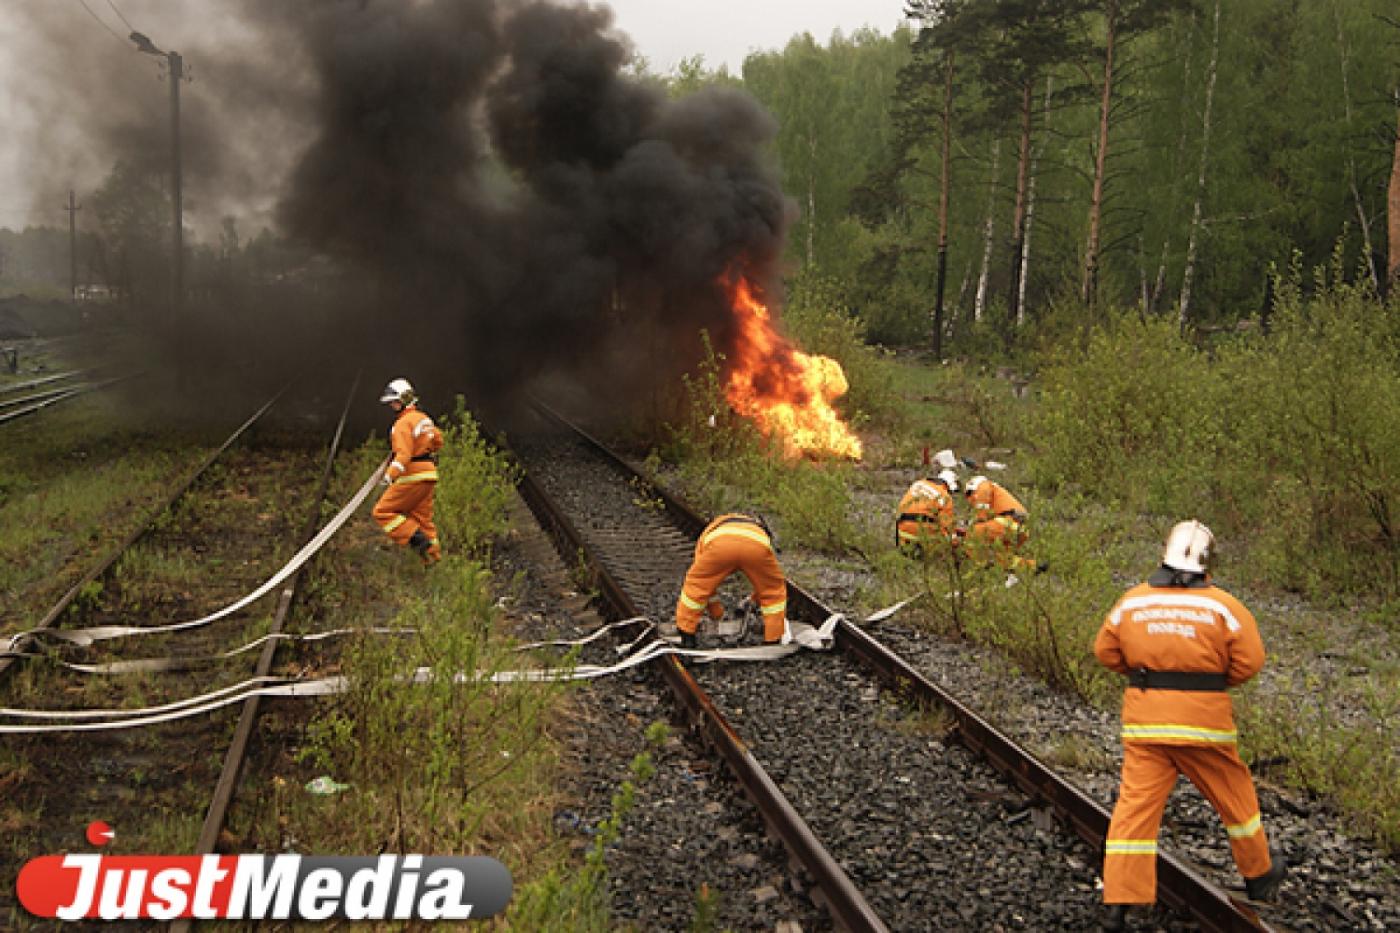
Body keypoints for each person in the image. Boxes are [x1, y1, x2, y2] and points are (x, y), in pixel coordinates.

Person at [1093, 520, 1286, 930]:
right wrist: (1207, 684)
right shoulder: (1224, 608)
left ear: (1164, 555)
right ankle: (1259, 875)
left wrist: (1146, 678)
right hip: (1205, 727)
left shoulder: (1133, 602)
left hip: (1146, 728)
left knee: (1134, 812)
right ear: (1208, 562)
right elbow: (1250, 662)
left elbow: (1105, 651)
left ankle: (1120, 901)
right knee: (1236, 799)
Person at [675, 513, 787, 649]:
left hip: (720, 547)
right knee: (773, 591)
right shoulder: (759, 532)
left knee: (697, 585)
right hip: (756, 548)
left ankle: (687, 635)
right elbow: (765, 584)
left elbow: (706, 587)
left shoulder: (712, 529)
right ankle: (773, 640)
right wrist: (753, 601)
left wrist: (716, 613)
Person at [371, 377, 444, 566]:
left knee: (382, 511)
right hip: (429, 475)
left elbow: (403, 454)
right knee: (423, 519)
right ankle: (433, 561)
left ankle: (420, 542)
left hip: (412, 476)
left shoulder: (402, 424)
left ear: (403, 400)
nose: (392, 406)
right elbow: (438, 441)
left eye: (394, 402)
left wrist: (390, 476)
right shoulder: (424, 419)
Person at [963, 475, 1041, 572]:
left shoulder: (983, 486)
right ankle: (1033, 566)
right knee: (1003, 559)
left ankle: (983, 565)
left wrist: (973, 525)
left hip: (1008, 523)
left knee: (973, 534)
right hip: (1021, 530)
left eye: (969, 494)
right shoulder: (995, 494)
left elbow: (981, 513)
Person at [896, 469, 960, 552]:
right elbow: (947, 525)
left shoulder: (918, 484)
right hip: (923, 532)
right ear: (949, 486)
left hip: (902, 529)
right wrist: (955, 540)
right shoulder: (945, 496)